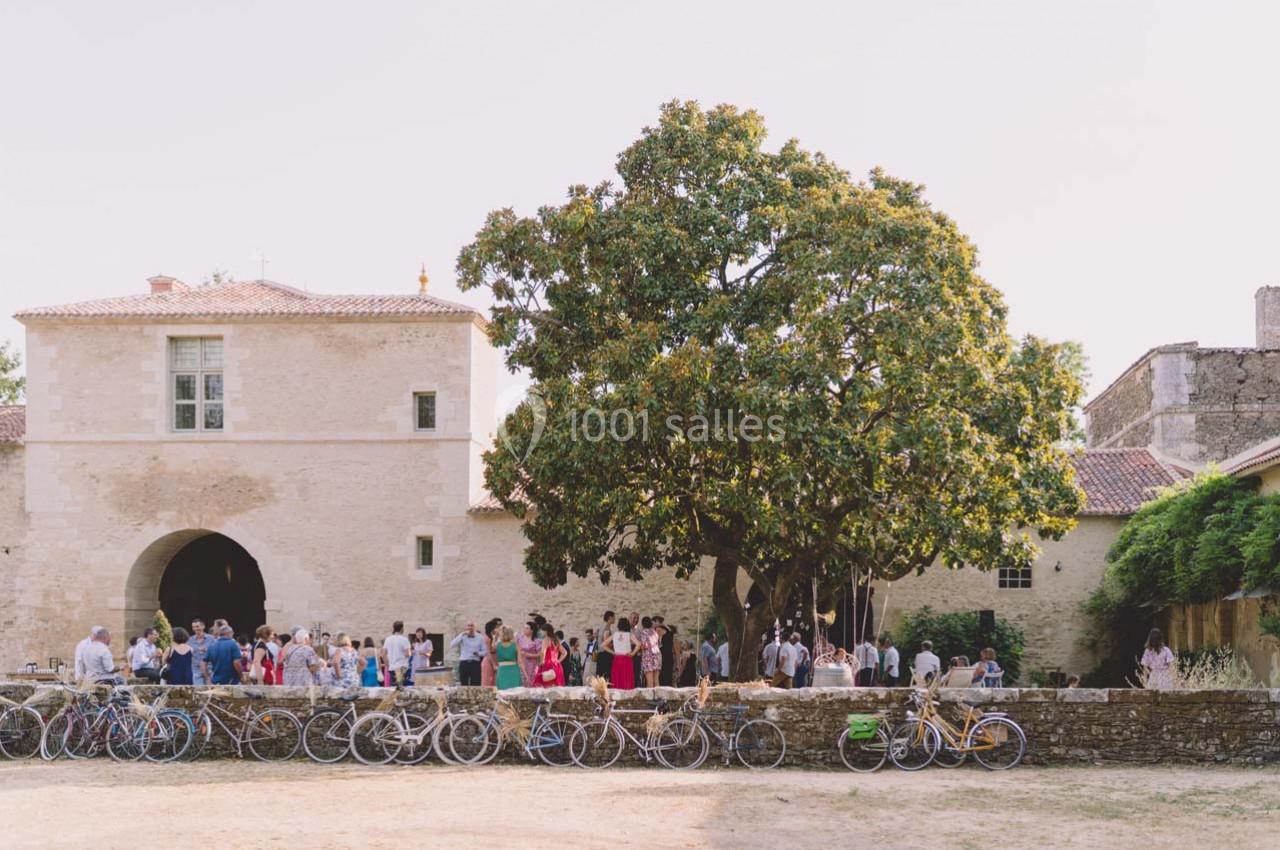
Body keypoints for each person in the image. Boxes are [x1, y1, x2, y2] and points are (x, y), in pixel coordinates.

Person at [451, 621, 488, 686]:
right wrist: (461, 634)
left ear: (475, 627)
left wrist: (478, 653)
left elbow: (485, 651)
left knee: (476, 684)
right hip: (464, 662)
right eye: (468, 625)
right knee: (463, 683)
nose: (470, 627)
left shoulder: (480, 637)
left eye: (472, 625)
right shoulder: (462, 636)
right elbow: (452, 644)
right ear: (466, 627)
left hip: (475, 663)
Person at [605, 617, 637, 689]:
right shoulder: (629, 635)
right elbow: (638, 644)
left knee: (618, 677)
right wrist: (633, 653)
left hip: (617, 658)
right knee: (626, 677)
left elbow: (603, 645)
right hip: (627, 659)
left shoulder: (615, 635)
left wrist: (613, 652)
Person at [533, 623, 566, 687]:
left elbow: (543, 652)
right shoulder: (556, 640)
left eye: (542, 630)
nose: (541, 632)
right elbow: (564, 652)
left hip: (547, 664)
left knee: (545, 685)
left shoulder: (546, 639)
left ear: (546, 631)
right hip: (556, 665)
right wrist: (558, 661)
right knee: (556, 686)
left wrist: (541, 662)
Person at [381, 621, 412, 687]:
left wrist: (387, 665)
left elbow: (383, 654)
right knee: (400, 688)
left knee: (394, 687)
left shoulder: (388, 639)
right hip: (401, 667)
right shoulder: (404, 639)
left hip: (392, 667)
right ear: (401, 628)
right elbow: (408, 653)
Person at [494, 626, 523, 690]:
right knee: (515, 691)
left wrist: (495, 637)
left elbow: (492, 650)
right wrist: (525, 674)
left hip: (502, 670)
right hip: (514, 670)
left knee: (502, 691)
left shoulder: (497, 645)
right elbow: (520, 661)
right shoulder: (515, 645)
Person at [636, 616, 662, 688]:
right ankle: (658, 697)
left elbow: (645, 645)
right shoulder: (654, 632)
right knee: (656, 680)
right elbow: (659, 644)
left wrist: (639, 648)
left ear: (643, 624)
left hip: (648, 657)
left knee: (649, 681)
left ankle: (650, 698)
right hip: (657, 655)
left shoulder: (644, 632)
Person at [188, 619, 214, 686]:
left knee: (211, 692)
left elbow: (216, 652)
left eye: (197, 626)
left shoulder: (211, 639)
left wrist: (207, 650)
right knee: (198, 691)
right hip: (196, 669)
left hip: (209, 669)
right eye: (193, 627)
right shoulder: (190, 640)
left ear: (203, 626)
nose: (195, 629)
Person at [517, 622, 541, 686]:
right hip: (521, 663)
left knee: (532, 682)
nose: (524, 629)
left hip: (532, 665)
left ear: (532, 630)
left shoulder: (537, 641)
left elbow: (540, 654)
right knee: (522, 682)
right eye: (524, 627)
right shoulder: (520, 638)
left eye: (527, 628)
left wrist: (528, 655)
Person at [597, 611, 616, 684]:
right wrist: (614, 643)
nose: (615, 619)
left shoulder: (601, 627)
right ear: (610, 618)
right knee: (606, 677)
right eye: (614, 617)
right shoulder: (607, 628)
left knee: (601, 677)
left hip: (601, 655)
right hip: (606, 654)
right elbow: (606, 643)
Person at [656, 616, 675, 686]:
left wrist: (661, 624)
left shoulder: (661, 631)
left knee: (664, 675)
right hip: (666, 655)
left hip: (665, 655)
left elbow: (659, 643)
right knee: (665, 674)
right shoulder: (669, 632)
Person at [480, 620, 499, 688]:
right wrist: (493, 664)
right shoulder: (487, 638)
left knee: (494, 681)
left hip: (495, 659)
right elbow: (488, 652)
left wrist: (496, 637)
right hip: (489, 661)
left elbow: (494, 646)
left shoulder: (493, 637)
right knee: (488, 680)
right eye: (496, 627)